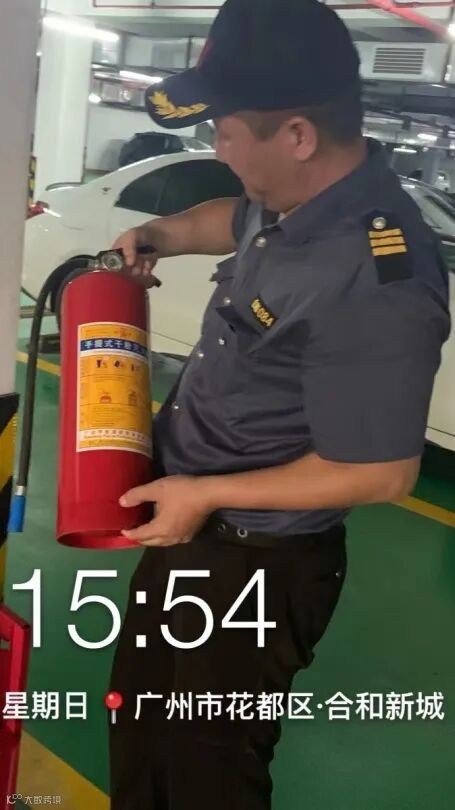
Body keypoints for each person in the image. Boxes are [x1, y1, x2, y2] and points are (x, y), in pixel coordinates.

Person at [108, 1, 451, 807]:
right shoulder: (290, 200)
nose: (217, 150)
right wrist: (161, 234)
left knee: (206, 770)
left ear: (296, 134)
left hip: (254, 566)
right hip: (191, 529)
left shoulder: (375, 274)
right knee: (141, 730)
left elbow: (379, 473)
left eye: (224, 132)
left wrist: (205, 494)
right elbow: (228, 219)